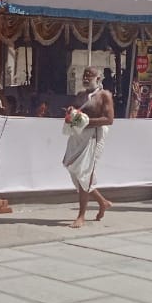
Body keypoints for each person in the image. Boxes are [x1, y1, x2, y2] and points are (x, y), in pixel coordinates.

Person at [63, 67, 114, 226]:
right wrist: (72, 112)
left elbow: (109, 119)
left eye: (89, 75)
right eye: (84, 75)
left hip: (93, 137)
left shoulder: (105, 95)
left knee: (84, 174)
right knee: (75, 172)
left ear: (98, 78)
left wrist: (86, 122)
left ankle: (81, 216)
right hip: (78, 137)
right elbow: (75, 112)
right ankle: (102, 202)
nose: (85, 78)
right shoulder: (80, 95)